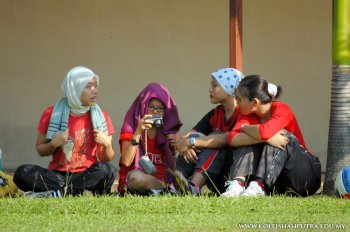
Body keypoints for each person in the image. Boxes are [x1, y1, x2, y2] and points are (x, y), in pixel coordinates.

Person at [13, 66, 116, 197]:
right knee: (22, 172)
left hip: (87, 174)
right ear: (75, 88)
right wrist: (53, 144)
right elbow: (41, 150)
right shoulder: (52, 113)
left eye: (96, 85)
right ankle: (75, 192)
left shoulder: (102, 117)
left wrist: (106, 144)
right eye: (88, 86)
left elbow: (106, 158)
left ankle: (58, 193)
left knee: (108, 170)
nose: (94, 90)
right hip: (57, 176)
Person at [222, 75, 321, 197]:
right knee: (252, 139)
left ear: (254, 102)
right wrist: (263, 136)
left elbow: (266, 131)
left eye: (239, 99)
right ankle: (238, 184)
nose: (236, 103)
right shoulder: (247, 113)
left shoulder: (282, 109)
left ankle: (259, 185)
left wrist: (247, 130)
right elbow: (233, 139)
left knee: (281, 135)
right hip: (277, 181)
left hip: (303, 176)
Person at [175, 68, 244, 195]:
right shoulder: (215, 113)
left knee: (214, 138)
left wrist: (191, 142)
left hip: (233, 176)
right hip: (215, 175)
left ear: (229, 89)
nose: (210, 89)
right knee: (196, 138)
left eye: (215, 85)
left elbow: (224, 139)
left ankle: (194, 187)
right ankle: (178, 183)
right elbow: (184, 139)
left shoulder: (243, 113)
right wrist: (186, 145)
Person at [118, 83, 182, 196]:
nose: (155, 111)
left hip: (162, 179)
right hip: (137, 179)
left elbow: (171, 168)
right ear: (143, 106)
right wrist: (138, 132)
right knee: (135, 178)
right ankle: (167, 190)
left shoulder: (168, 130)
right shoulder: (131, 126)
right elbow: (126, 161)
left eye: (160, 108)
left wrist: (174, 149)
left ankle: (164, 190)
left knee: (180, 175)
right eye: (151, 106)